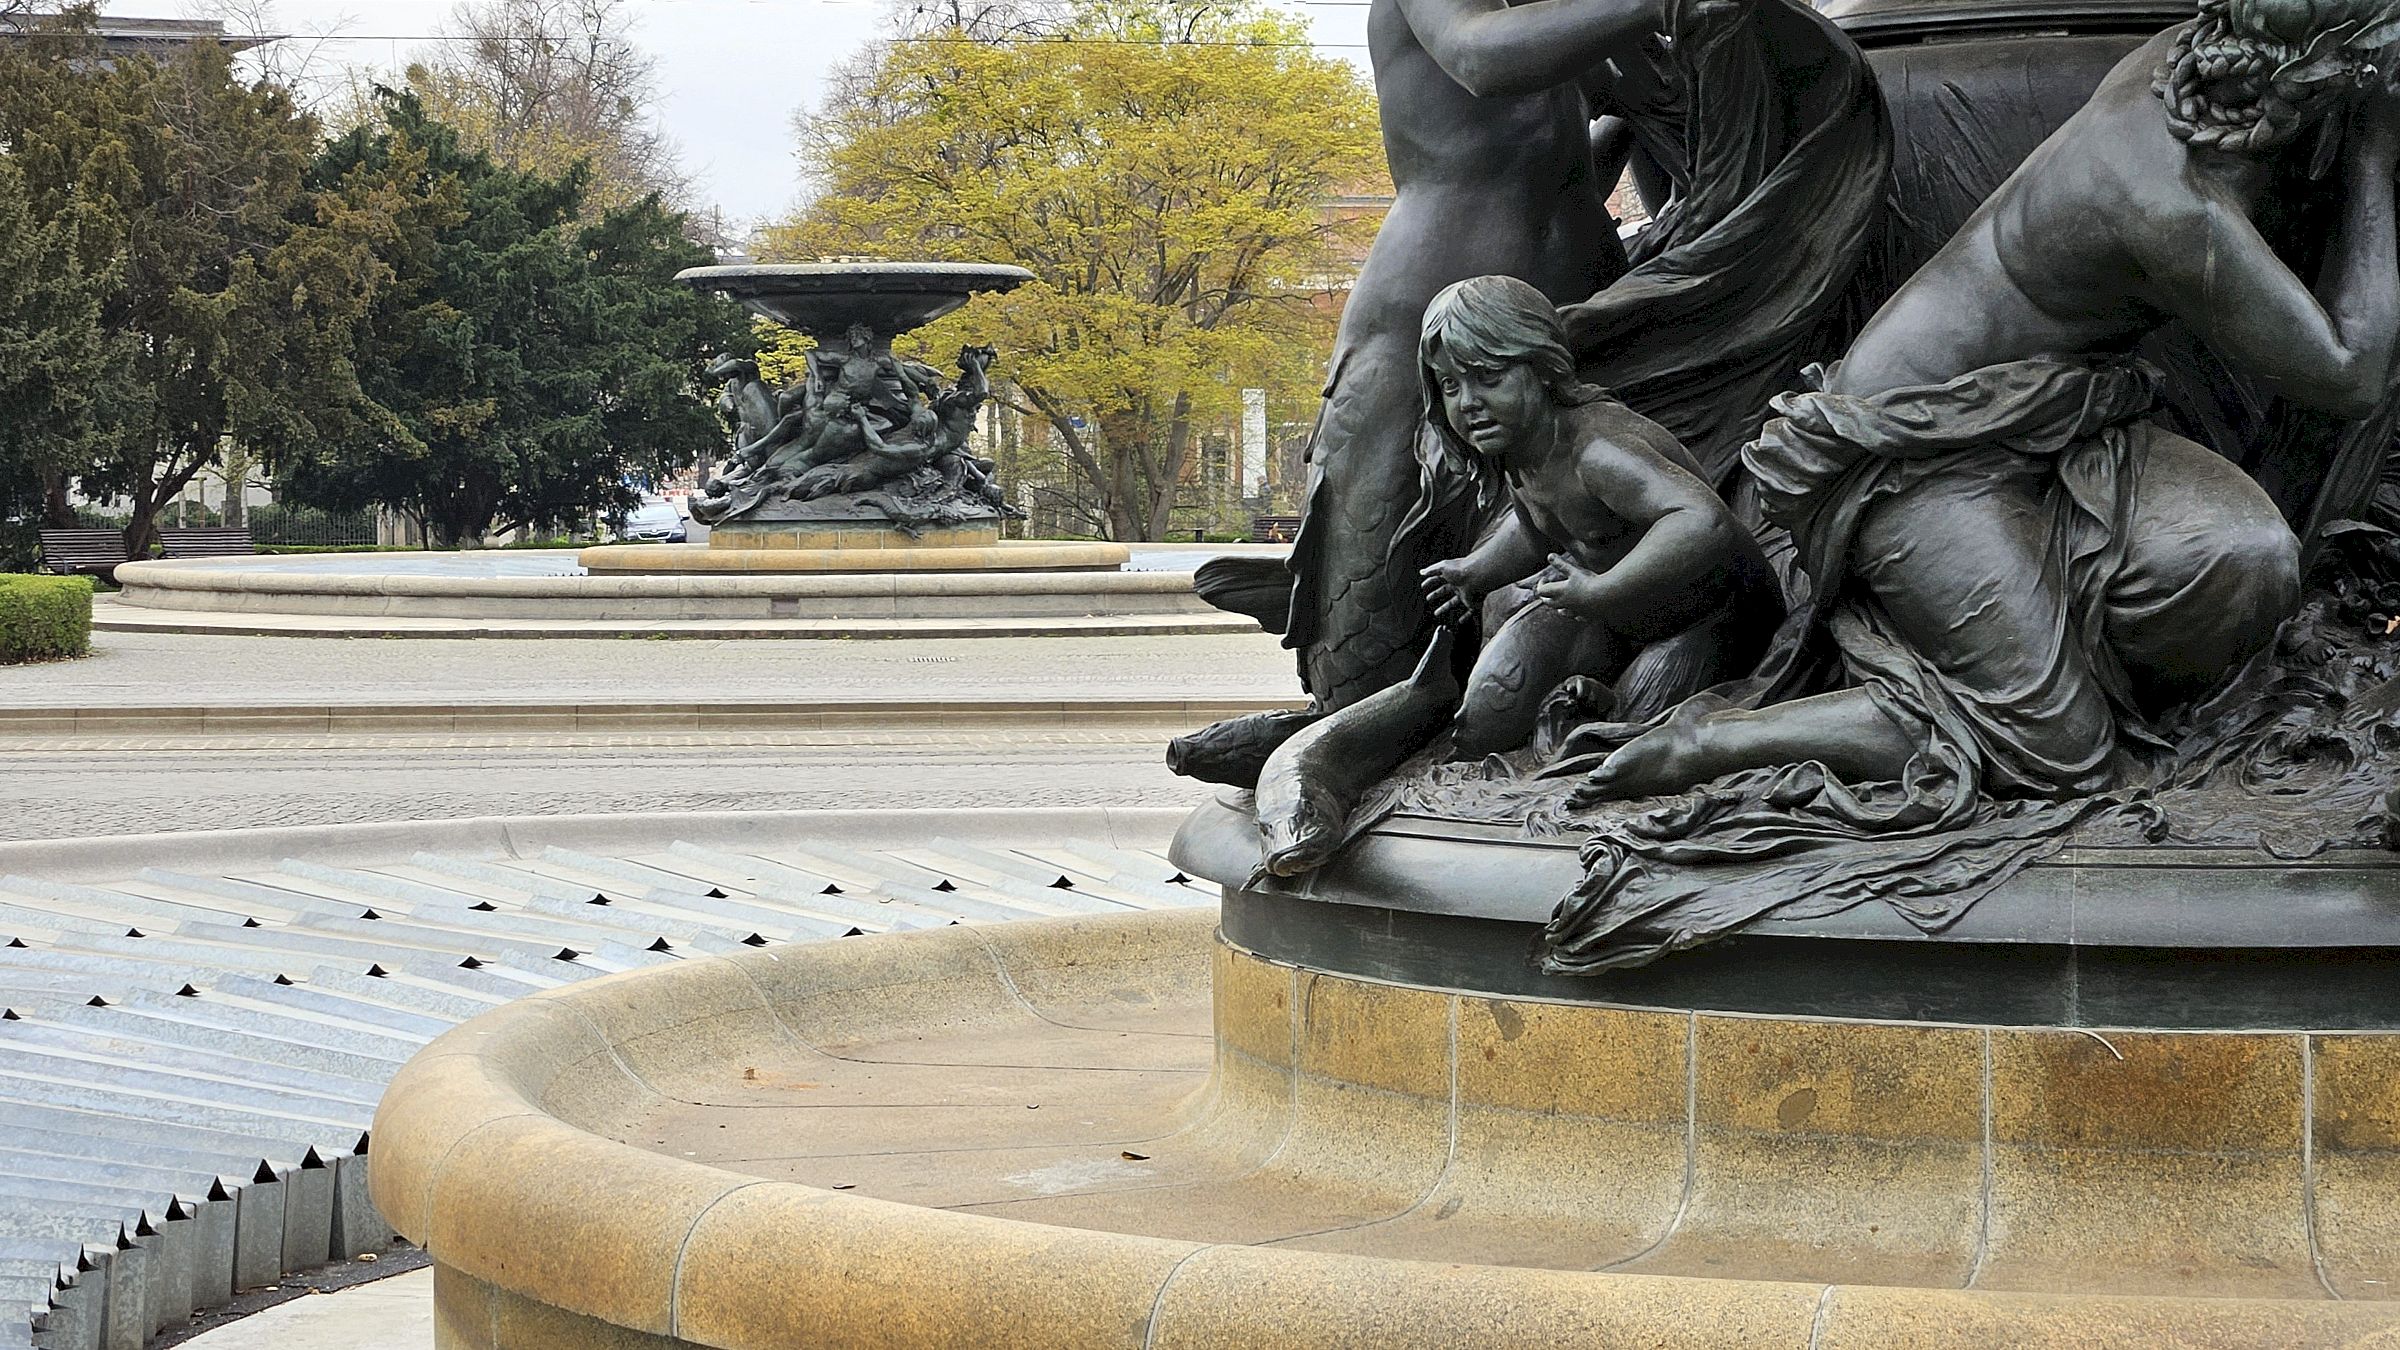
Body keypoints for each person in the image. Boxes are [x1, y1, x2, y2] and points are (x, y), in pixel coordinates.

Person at [1584, 0, 2400, 805]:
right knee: (2061, 747)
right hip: (1908, 450)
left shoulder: (2185, 66)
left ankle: (2035, 646)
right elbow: (2351, 374)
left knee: (2247, 558)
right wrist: (2374, 150)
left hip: (2046, 418)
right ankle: (1714, 739)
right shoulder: (2169, 201)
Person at [1413, 276, 1779, 754]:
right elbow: (1539, 532)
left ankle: (1616, 705)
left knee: (1621, 749)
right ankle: (1602, 691)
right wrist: (1476, 571)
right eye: (1450, 385)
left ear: (1542, 367)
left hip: (1708, 620)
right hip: (1614, 614)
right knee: (1487, 719)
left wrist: (1602, 588)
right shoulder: (1520, 454)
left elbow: (1701, 519)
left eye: (1488, 376)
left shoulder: (1597, 451)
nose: (1469, 402)